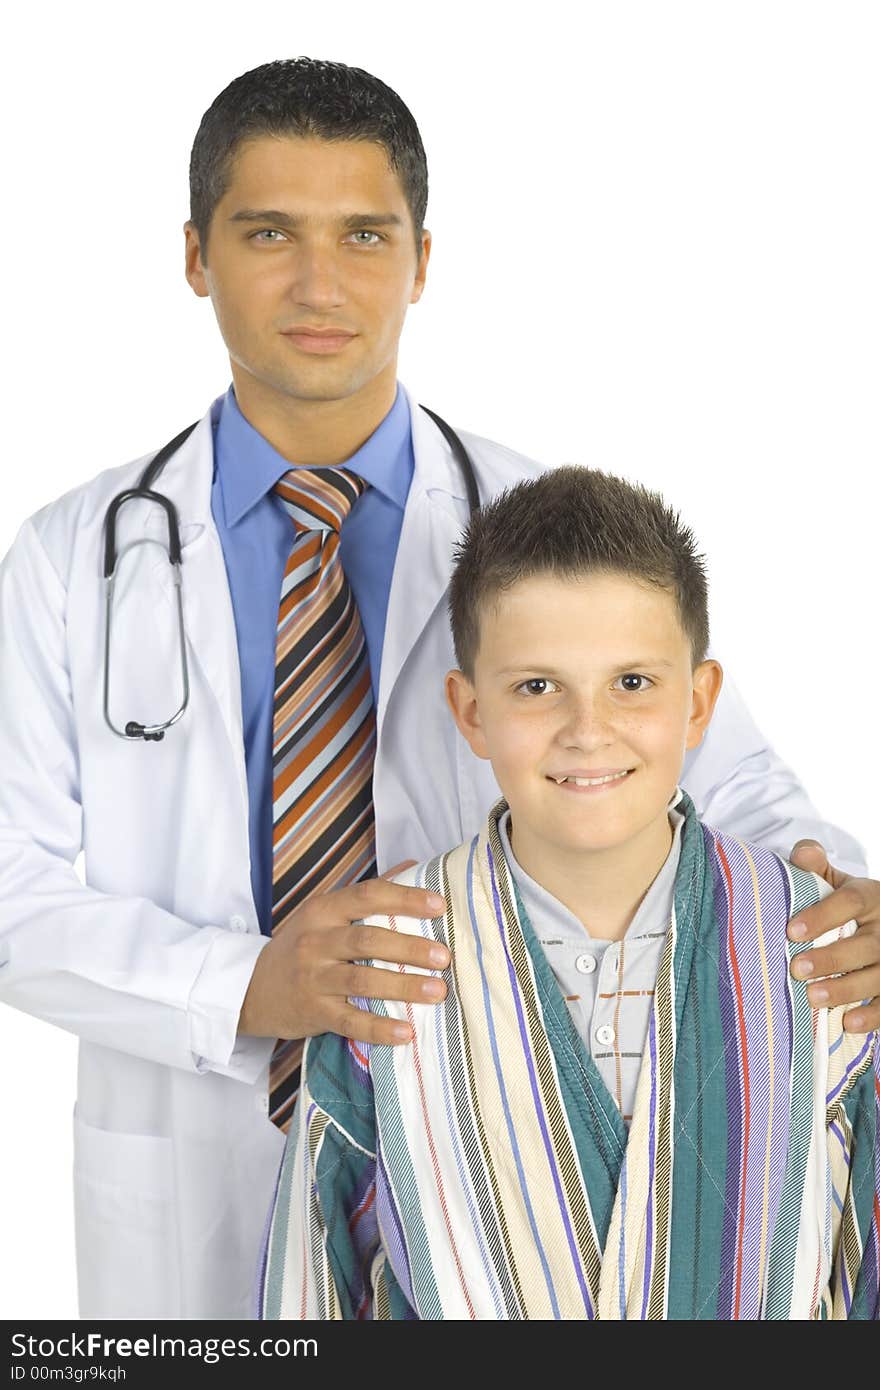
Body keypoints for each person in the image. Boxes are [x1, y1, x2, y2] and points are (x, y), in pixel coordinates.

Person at [0, 58, 877, 1322]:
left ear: (422, 260)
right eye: (267, 234)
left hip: (467, 1144)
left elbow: (713, 766)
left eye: (364, 234)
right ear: (195, 256)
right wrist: (248, 987)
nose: (319, 283)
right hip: (186, 1150)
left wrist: (838, 914)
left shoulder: (542, 534)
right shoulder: (67, 560)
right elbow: (14, 890)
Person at [260, 467, 879, 1320]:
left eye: (632, 683)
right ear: (470, 713)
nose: (589, 731)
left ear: (698, 705)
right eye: (537, 686)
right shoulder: (393, 963)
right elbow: (315, 1279)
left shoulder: (816, 948)